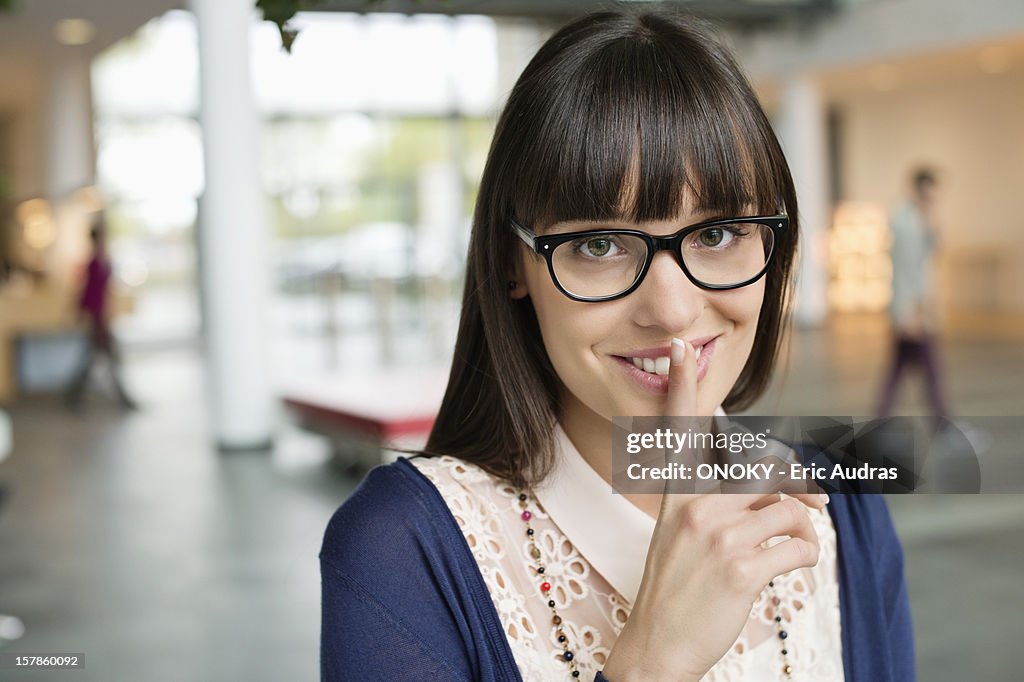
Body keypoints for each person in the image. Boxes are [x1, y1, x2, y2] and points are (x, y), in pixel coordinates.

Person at [320, 11, 914, 682]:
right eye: (598, 244)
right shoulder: (403, 551)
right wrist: (653, 661)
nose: (672, 309)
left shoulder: (844, 510)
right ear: (514, 263)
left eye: (718, 234)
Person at [876, 167, 949, 419]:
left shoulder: (921, 219)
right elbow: (905, 270)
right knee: (930, 369)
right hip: (911, 310)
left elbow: (932, 254)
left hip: (919, 307)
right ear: (919, 189)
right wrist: (905, 313)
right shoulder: (904, 221)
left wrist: (931, 220)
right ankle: (943, 424)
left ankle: (880, 419)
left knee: (898, 369)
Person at [64, 213, 138, 411]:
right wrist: (97, 318)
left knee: (94, 360)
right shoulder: (95, 262)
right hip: (98, 318)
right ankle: (122, 400)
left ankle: (76, 397)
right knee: (103, 360)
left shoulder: (100, 260)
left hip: (100, 317)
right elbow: (91, 293)